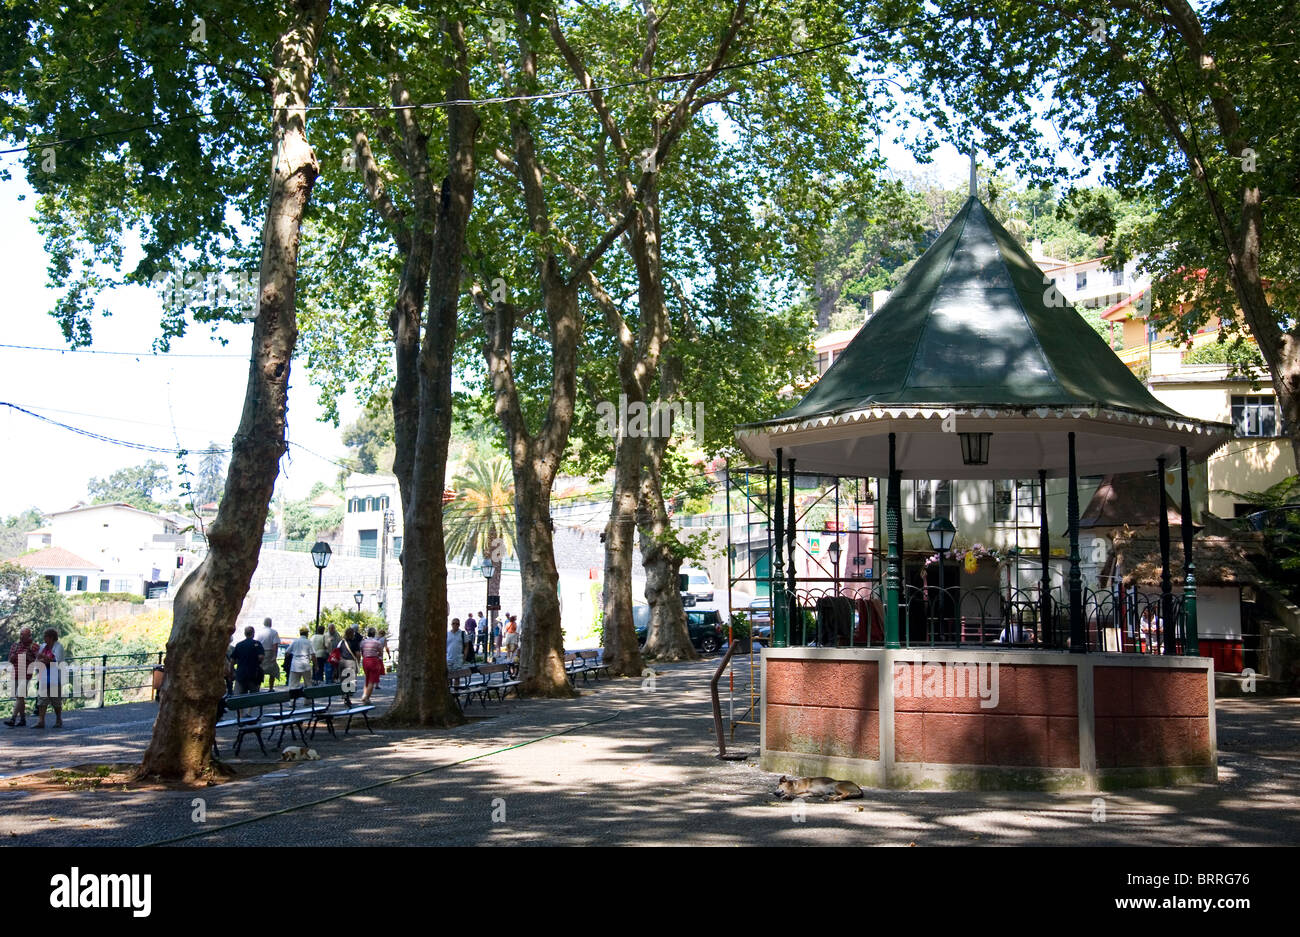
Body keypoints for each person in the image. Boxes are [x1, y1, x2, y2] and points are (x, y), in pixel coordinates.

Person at [5, 627, 37, 727]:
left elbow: (37, 659)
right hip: (15, 673)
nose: (21, 636)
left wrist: (28, 657)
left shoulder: (34, 646)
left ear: (29, 636)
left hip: (26, 674)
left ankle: (13, 719)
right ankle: (23, 720)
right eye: (21, 634)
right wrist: (13, 657)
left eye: (24, 634)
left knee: (19, 696)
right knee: (20, 698)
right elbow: (10, 659)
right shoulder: (15, 645)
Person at [33, 628, 65, 729]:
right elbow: (38, 659)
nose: (44, 639)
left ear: (51, 637)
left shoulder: (58, 647)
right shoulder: (43, 646)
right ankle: (41, 721)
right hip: (43, 676)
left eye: (45, 636)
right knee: (42, 700)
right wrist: (44, 659)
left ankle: (58, 719)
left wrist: (44, 658)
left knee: (55, 700)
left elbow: (56, 660)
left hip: (55, 677)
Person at [228, 626, 265, 695]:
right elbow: (261, 657)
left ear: (245, 634)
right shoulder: (257, 644)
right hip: (254, 674)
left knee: (239, 698)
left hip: (241, 674)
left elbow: (232, 660)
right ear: (253, 633)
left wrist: (231, 673)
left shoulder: (239, 645)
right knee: (254, 697)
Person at [360, 627, 386, 703]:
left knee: (367, 679)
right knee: (372, 681)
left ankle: (364, 695)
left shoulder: (363, 642)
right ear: (374, 633)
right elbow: (381, 653)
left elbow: (361, 651)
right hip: (374, 661)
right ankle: (367, 698)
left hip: (365, 660)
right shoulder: (377, 642)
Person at [256, 617, 281, 689]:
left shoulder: (259, 632)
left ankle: (258, 687)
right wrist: (275, 656)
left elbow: (257, 643)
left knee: (260, 671)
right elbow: (275, 645)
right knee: (272, 672)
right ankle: (271, 687)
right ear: (271, 623)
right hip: (270, 653)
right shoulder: (274, 632)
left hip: (260, 653)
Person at [338, 626, 361, 693]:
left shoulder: (341, 642)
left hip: (342, 662)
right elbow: (358, 654)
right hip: (351, 663)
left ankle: (344, 695)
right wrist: (358, 663)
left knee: (343, 680)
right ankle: (349, 695)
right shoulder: (354, 642)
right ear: (352, 634)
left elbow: (338, 651)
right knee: (351, 681)